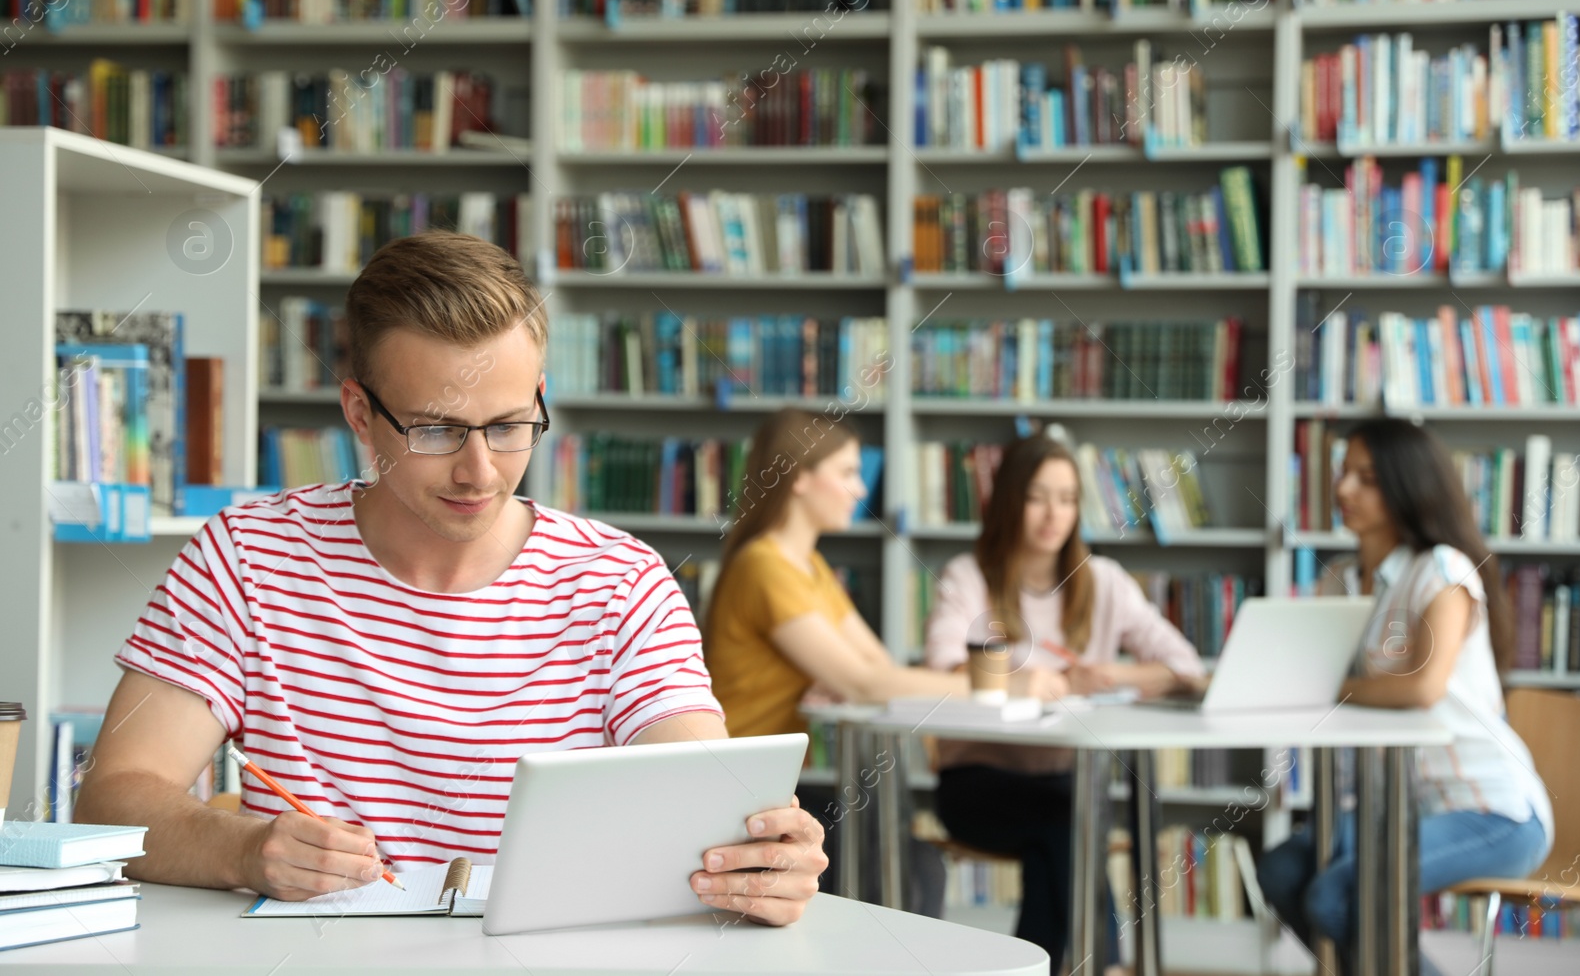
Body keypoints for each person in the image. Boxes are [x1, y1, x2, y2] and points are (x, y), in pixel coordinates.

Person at [74, 231, 825, 926]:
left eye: (508, 426)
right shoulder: (246, 557)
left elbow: (696, 796)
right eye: (436, 430)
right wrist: (241, 847)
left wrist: (760, 857)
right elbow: (111, 800)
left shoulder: (620, 583)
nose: (479, 470)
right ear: (359, 414)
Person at [703, 409, 1068, 913]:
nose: (859, 490)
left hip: (774, 783)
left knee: (915, 862)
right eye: (849, 472)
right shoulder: (765, 566)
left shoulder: (807, 565)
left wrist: (865, 681)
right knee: (901, 864)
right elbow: (866, 681)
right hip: (738, 791)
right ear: (801, 479)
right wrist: (1005, 687)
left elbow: (878, 666)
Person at [1256, 418, 1553, 973]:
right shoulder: (1337, 580)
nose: (1343, 489)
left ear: (1406, 485)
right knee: (1281, 872)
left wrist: (1319, 687)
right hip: (1396, 809)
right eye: (1344, 473)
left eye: (1366, 478)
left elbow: (1422, 686)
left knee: (1334, 895)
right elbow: (1300, 679)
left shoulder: (1442, 570)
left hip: (1493, 812)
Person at [922, 432, 1207, 976]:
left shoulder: (1103, 582)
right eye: (1037, 496)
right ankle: (1110, 968)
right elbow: (943, 671)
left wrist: (1109, 674)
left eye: (1068, 498)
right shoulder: (968, 577)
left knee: (1062, 833)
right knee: (1071, 829)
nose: (1054, 514)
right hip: (978, 783)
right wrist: (1042, 678)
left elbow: (1187, 668)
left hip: (1066, 785)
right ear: (1008, 500)